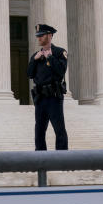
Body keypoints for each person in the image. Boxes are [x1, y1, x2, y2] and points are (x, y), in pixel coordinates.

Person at [27, 23, 68, 151]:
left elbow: (61, 71)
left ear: (50, 36)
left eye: (42, 35)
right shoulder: (36, 55)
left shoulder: (59, 52)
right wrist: (35, 60)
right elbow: (29, 74)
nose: (39, 38)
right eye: (38, 36)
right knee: (39, 129)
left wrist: (50, 57)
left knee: (59, 128)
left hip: (54, 97)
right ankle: (40, 156)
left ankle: (62, 157)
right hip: (40, 98)